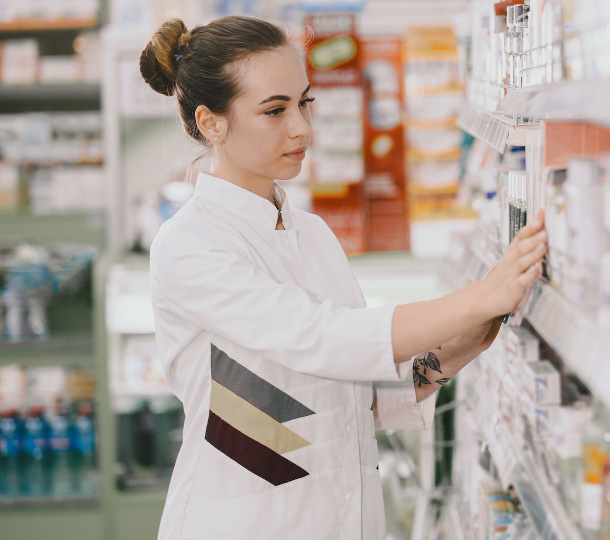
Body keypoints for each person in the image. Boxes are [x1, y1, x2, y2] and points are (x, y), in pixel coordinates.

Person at [140, 15, 547, 539]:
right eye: (275, 110)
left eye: (304, 102)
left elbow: (352, 400)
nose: (302, 128)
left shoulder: (312, 235)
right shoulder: (188, 245)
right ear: (212, 122)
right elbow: (322, 337)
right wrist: (478, 296)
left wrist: (462, 345)